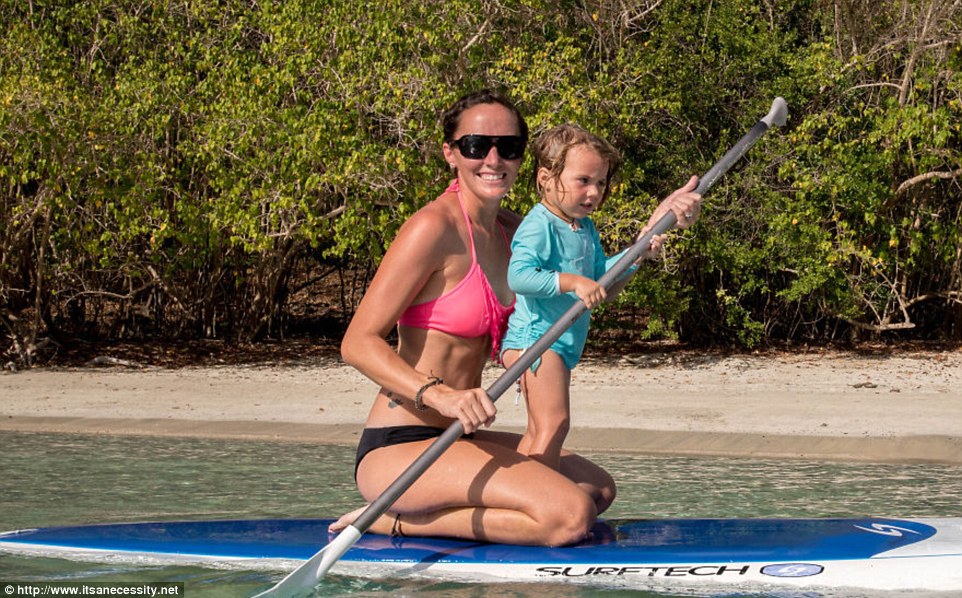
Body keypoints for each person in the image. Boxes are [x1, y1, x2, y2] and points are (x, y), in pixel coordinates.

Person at [334, 90, 698, 547]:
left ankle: (445, 510)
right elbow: (358, 343)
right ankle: (392, 517)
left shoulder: (515, 230)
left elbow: (590, 290)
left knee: (596, 488)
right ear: (451, 154)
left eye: (508, 147)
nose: (493, 159)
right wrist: (441, 396)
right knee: (569, 515)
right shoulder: (432, 228)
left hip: (460, 438)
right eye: (475, 145)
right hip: (403, 442)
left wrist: (650, 234)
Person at [501, 124, 702, 472]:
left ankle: (522, 490)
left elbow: (601, 282)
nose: (594, 192)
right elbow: (518, 276)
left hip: (560, 344)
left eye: (601, 182)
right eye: (583, 181)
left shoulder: (583, 228)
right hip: (535, 341)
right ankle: (536, 496)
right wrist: (571, 282)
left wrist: (635, 255)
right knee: (554, 424)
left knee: (540, 429)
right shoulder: (540, 224)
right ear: (546, 178)